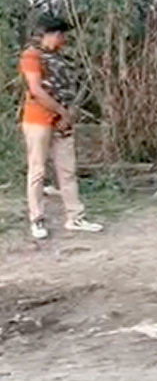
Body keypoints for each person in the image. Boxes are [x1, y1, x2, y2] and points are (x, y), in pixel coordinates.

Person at [19, 15, 102, 239]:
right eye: (61, 35)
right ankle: (37, 218)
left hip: (62, 121)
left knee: (67, 170)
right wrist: (62, 112)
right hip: (38, 119)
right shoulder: (31, 55)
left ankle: (75, 216)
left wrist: (69, 113)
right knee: (37, 170)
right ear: (51, 34)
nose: (63, 39)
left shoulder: (60, 58)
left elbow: (69, 89)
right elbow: (36, 90)